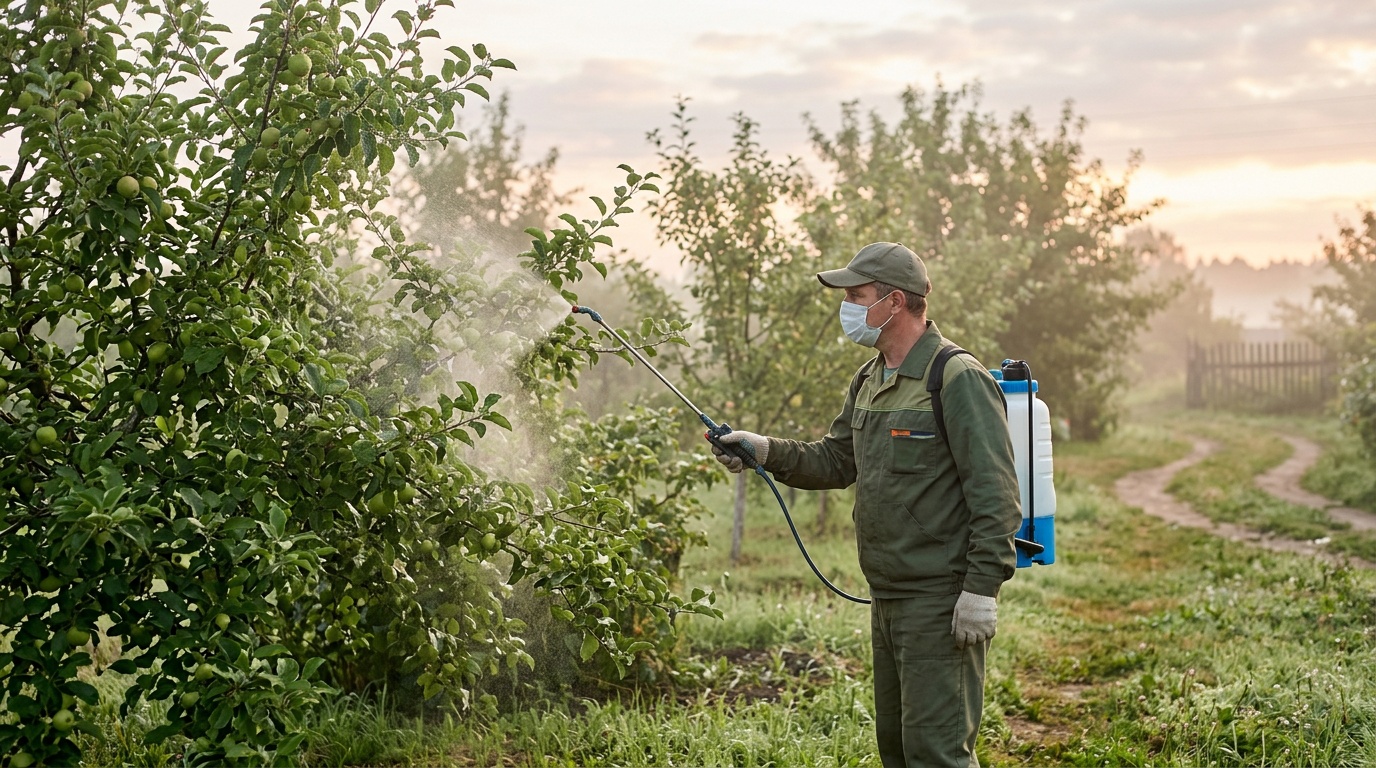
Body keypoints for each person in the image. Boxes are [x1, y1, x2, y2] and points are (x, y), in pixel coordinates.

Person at [712, 242, 1021, 768]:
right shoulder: (870, 379)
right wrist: (764, 450)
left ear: (894, 301)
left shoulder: (955, 378)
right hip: (887, 596)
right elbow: (836, 460)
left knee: (936, 754)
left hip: (940, 599)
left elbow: (996, 495)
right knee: (897, 750)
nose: (847, 308)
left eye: (856, 295)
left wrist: (981, 589)